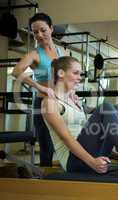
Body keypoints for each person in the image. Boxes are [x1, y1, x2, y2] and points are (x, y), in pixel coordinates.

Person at [41, 56, 118, 173]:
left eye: (80, 74)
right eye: (76, 73)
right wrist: (92, 162)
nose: (79, 78)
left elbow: (94, 139)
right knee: (105, 108)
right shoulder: (50, 103)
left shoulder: (75, 101)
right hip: (74, 161)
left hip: (89, 153)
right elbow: (67, 138)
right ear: (61, 73)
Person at [12, 13, 66, 166]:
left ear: (51, 28)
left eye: (43, 30)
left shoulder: (62, 52)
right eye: (35, 32)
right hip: (42, 103)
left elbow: (67, 76)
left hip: (61, 102)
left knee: (66, 140)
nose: (39, 35)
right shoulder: (34, 54)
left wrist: (71, 94)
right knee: (46, 146)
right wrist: (39, 86)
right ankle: (45, 182)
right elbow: (16, 72)